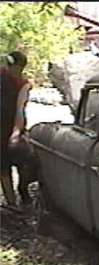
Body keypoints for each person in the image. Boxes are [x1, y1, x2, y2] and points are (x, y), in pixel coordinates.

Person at [1, 51, 33, 207]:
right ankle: (11, 202)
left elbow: (20, 109)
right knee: (3, 167)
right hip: (4, 127)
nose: (18, 72)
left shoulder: (23, 84)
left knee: (22, 162)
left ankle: (23, 193)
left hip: (14, 126)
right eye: (18, 68)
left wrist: (16, 132)